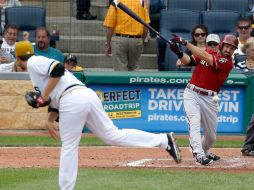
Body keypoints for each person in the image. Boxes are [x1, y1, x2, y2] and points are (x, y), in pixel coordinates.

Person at [15, 40, 182, 190]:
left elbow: (58, 69)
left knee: (69, 147)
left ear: (17, 57)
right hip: (84, 95)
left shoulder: (33, 62)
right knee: (112, 135)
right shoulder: (35, 67)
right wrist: (49, 118)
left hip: (72, 99)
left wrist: (44, 96)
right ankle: (163, 140)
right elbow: (55, 94)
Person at [169, 34, 238, 165]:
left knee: (211, 136)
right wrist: (178, 52)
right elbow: (188, 61)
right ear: (222, 45)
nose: (228, 50)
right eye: (227, 46)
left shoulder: (227, 63)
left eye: (232, 48)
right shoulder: (207, 51)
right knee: (194, 122)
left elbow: (206, 57)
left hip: (210, 98)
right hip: (192, 93)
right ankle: (198, 154)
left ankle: (205, 150)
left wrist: (185, 42)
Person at [103, 0, 150, 71]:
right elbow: (146, 25)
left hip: (119, 40)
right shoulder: (141, 2)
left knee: (120, 70)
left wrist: (108, 43)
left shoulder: (116, 2)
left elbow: (110, 27)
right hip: (136, 40)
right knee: (134, 68)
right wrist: (142, 40)